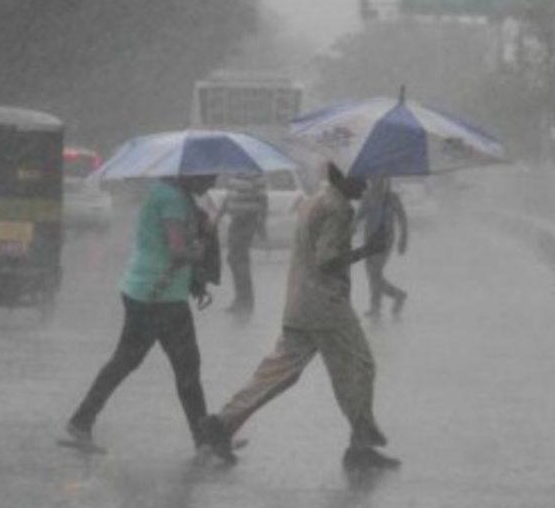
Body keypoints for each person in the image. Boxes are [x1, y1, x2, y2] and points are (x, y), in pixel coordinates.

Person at [199, 162, 400, 471]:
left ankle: (222, 424)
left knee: (278, 371)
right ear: (343, 176)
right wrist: (367, 249)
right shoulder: (338, 208)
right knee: (360, 366)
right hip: (326, 306)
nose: (365, 185)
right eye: (361, 178)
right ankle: (360, 445)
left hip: (300, 301)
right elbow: (327, 260)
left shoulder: (315, 198)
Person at [61, 173, 218, 453]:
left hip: (145, 290)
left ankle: (81, 420)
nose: (213, 183)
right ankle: (204, 439)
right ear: (191, 172)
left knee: (128, 361)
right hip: (160, 297)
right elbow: (177, 251)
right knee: (185, 368)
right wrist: (200, 251)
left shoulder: (164, 192)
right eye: (209, 176)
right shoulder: (172, 200)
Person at [355, 176, 408, 318]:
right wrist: (350, 230)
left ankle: (378, 306)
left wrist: (403, 239)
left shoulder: (392, 198)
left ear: (383, 179)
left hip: (385, 241)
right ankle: (392, 298)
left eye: (376, 178)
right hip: (369, 240)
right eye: (371, 178)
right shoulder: (368, 197)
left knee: (375, 273)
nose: (372, 181)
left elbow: (402, 219)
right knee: (372, 275)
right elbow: (359, 216)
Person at [218, 172, 268, 314]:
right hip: (236, 220)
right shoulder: (234, 174)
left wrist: (261, 222)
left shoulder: (255, 174)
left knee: (240, 259)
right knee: (233, 259)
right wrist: (217, 217)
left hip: (248, 219)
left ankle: (246, 301)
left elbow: (263, 199)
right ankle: (240, 298)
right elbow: (228, 198)